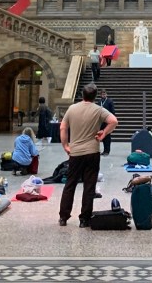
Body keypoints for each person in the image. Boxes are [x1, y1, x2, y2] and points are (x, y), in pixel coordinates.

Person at [58, 83, 117, 227]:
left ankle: (63, 217)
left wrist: (65, 145)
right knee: (89, 185)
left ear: (82, 95)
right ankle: (84, 219)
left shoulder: (72, 109)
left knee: (70, 184)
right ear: (95, 96)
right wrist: (104, 133)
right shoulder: (98, 110)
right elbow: (114, 121)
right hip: (92, 152)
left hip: (76, 152)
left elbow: (63, 127)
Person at [97, 89, 116, 155]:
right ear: (101, 95)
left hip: (108, 121)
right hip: (101, 121)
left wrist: (112, 120)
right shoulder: (99, 101)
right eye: (102, 94)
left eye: (105, 94)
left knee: (107, 136)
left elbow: (113, 111)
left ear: (106, 94)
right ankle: (104, 150)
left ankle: (107, 151)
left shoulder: (109, 101)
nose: (104, 95)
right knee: (102, 135)